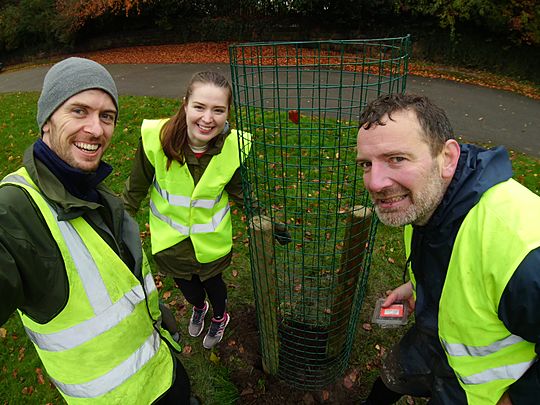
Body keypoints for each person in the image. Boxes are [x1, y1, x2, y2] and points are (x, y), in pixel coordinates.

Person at [0, 57, 196, 404]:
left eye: (107, 116)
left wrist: (156, 315)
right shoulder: (14, 211)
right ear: (46, 120)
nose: (96, 129)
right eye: (79, 111)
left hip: (164, 371)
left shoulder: (92, 189)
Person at [356, 93, 540, 404]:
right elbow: (457, 261)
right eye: (366, 164)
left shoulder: (521, 250)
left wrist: (520, 399)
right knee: (388, 380)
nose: (375, 182)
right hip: (436, 343)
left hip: (481, 392)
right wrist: (417, 285)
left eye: (396, 159)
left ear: (449, 158)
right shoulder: (426, 204)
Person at [122, 71, 252, 350]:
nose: (208, 118)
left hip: (211, 243)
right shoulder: (156, 140)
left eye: (218, 110)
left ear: (228, 112)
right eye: (199, 107)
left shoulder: (232, 149)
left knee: (214, 286)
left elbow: (241, 192)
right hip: (171, 242)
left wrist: (261, 216)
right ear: (185, 104)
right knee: (190, 289)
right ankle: (199, 307)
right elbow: (135, 188)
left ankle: (219, 316)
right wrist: (119, 221)